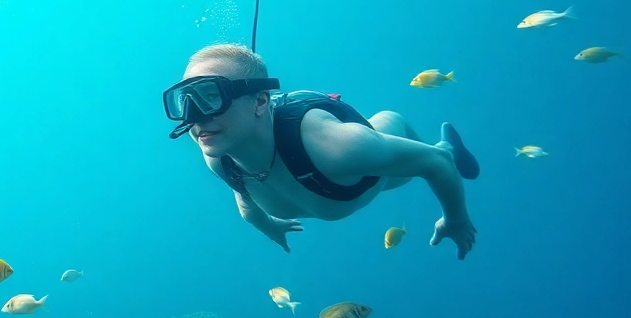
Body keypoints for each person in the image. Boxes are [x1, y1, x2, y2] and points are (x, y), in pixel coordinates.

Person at [163, 44, 480, 258]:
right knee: (391, 170)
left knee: (397, 158)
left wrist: (456, 220)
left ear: (260, 101)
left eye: (209, 96)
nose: (194, 116)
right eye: (184, 101)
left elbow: (438, 164)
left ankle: (444, 139)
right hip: (337, 183)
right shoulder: (220, 157)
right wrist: (269, 225)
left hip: (359, 161)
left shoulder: (341, 148)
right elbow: (245, 198)